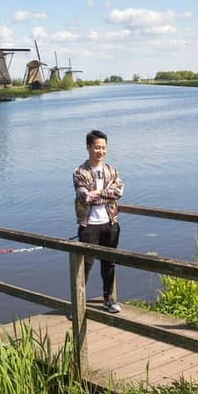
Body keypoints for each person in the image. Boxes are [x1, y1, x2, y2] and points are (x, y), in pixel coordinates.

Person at [73, 130, 125, 313]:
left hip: (110, 223)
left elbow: (119, 192)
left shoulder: (112, 170)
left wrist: (99, 193)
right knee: (85, 264)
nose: (100, 151)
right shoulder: (80, 172)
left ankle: (108, 299)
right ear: (88, 148)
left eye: (103, 148)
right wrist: (105, 194)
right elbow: (85, 197)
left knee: (109, 263)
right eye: (96, 147)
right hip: (89, 225)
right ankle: (78, 303)